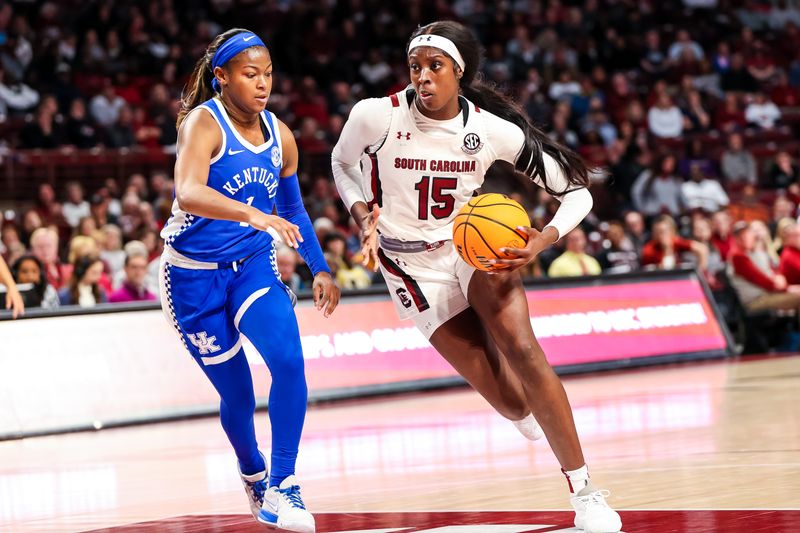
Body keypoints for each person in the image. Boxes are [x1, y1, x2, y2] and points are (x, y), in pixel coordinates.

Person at [332, 21, 621, 533]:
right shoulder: (375, 115)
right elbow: (341, 162)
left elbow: (578, 192)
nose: (422, 77)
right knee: (509, 400)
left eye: (435, 67)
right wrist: (361, 213)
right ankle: (527, 412)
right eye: (415, 67)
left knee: (524, 349)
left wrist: (543, 238)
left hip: (471, 247)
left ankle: (586, 493)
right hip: (408, 266)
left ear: (459, 73)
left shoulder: (490, 130)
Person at [159, 29, 339, 533]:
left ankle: (284, 484)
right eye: (250, 74)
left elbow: (293, 209)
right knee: (237, 394)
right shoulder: (203, 123)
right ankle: (253, 471)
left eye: (268, 74)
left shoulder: (281, 134)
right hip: (193, 277)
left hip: (253, 267)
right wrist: (252, 215)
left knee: (288, 361)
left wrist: (318, 265)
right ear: (222, 78)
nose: (263, 84)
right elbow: (189, 192)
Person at [641, 215, 708, 271]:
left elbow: (702, 249)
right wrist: (667, 249)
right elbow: (666, 268)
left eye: (664, 231)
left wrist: (700, 272)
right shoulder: (649, 249)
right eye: (658, 232)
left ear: (672, 231)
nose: (661, 235)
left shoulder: (677, 242)